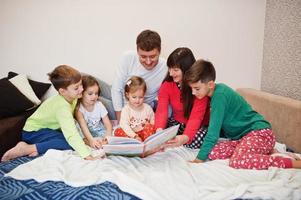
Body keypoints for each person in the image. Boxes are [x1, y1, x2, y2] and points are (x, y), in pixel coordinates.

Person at [184, 59, 301, 169]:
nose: (193, 92)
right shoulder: (215, 94)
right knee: (213, 152)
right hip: (244, 137)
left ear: (210, 84)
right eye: (192, 89)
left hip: (260, 132)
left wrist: (199, 160)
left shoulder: (219, 96)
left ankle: (292, 163)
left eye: (197, 88)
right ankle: (268, 151)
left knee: (237, 161)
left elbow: (213, 133)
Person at [1, 65, 100, 162]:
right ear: (63, 91)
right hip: (32, 132)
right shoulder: (62, 107)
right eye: (76, 88)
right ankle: (27, 148)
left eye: (81, 84)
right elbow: (71, 134)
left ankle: (38, 148)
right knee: (68, 142)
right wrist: (87, 156)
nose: (82, 89)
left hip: (47, 130)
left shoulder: (72, 97)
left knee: (68, 139)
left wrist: (85, 139)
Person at [155, 47, 210, 149]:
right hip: (178, 124)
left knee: (195, 141)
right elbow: (162, 111)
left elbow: (196, 118)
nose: (171, 73)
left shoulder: (198, 87)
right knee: (156, 132)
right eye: (169, 69)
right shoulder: (167, 85)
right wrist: (159, 131)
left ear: (186, 69)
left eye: (175, 70)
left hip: (198, 125)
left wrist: (185, 137)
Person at [111, 29, 168, 122]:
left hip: (138, 108)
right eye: (143, 57)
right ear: (137, 51)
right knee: (89, 84)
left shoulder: (166, 68)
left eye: (153, 56)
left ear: (160, 52)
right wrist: (122, 121)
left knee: (94, 100)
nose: (148, 61)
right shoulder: (128, 57)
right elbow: (116, 89)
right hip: (121, 103)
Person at [75, 75, 113, 149]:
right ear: (82, 93)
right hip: (87, 134)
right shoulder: (79, 109)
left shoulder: (99, 105)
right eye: (90, 94)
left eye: (96, 93)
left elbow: (108, 124)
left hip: (99, 130)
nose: (94, 96)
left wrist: (107, 136)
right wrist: (91, 140)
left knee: (108, 137)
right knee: (81, 137)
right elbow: (83, 127)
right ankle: (92, 143)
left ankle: (101, 143)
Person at [114, 76, 156, 142]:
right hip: (132, 135)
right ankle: (133, 144)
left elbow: (153, 121)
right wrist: (134, 136)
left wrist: (151, 127)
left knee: (150, 127)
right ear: (127, 95)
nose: (137, 100)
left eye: (140, 97)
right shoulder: (126, 109)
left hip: (145, 134)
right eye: (134, 97)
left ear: (144, 95)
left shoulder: (147, 108)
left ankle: (147, 144)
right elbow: (124, 125)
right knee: (118, 131)